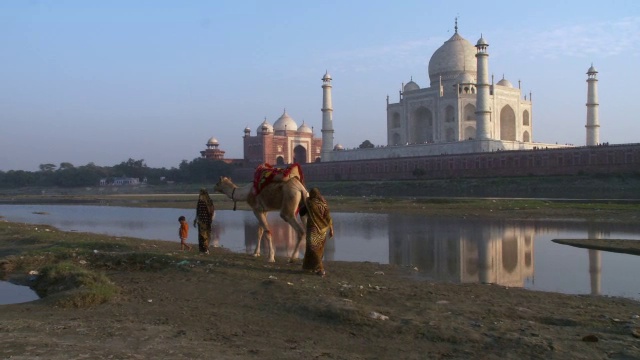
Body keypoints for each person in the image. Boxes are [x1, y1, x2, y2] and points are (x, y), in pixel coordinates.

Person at [302, 187, 334, 276]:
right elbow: (328, 217)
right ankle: (311, 267)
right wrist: (331, 229)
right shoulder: (324, 203)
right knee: (318, 248)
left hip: (313, 229)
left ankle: (320, 268)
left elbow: (301, 212)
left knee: (312, 247)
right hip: (323, 230)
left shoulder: (309, 203)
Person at [193, 188, 215, 254]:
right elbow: (198, 211)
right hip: (202, 221)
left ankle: (205, 249)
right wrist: (196, 219)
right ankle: (202, 250)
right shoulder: (200, 201)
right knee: (202, 235)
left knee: (205, 235)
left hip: (206, 221)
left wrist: (210, 219)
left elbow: (211, 211)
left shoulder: (208, 201)